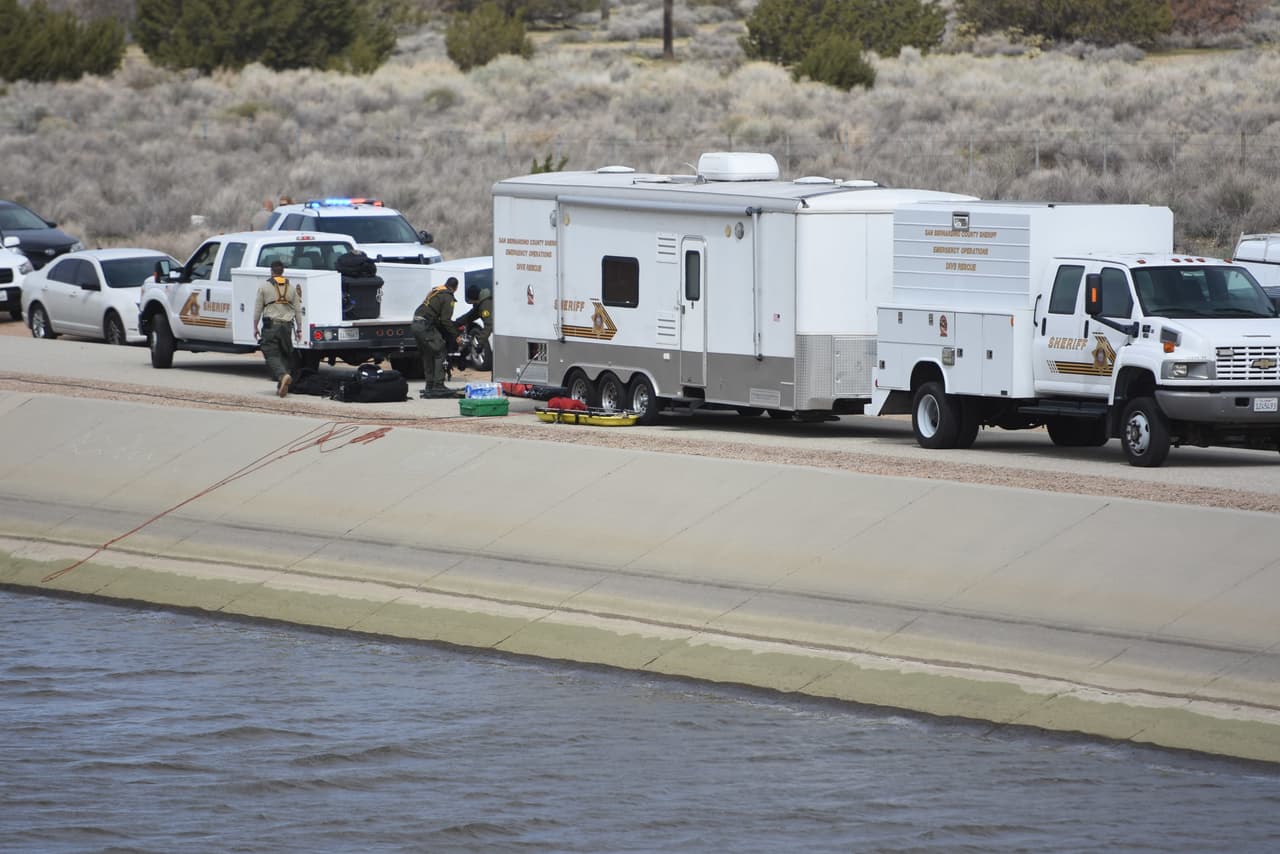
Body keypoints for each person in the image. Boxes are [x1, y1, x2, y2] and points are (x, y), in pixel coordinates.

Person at [254, 260, 302, 397]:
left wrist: (255, 327)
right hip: (287, 326)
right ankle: (281, 384)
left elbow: (258, 309)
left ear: (271, 271)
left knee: (270, 352)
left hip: (271, 326)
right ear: (283, 271)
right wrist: (299, 329)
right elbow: (298, 311)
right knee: (286, 354)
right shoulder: (292, 289)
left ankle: (282, 375)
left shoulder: (264, 287)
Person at [413, 276, 462, 398]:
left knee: (428, 353)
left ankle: (429, 385)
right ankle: (438, 385)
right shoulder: (447, 297)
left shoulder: (435, 291)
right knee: (440, 351)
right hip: (425, 325)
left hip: (415, 324)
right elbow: (445, 320)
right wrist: (456, 335)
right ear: (455, 288)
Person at [455, 282, 494, 352]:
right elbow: (471, 315)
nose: (470, 302)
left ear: (474, 298)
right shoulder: (481, 302)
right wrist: (457, 323)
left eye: (470, 300)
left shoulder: (485, 305)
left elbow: (489, 325)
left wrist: (480, 342)